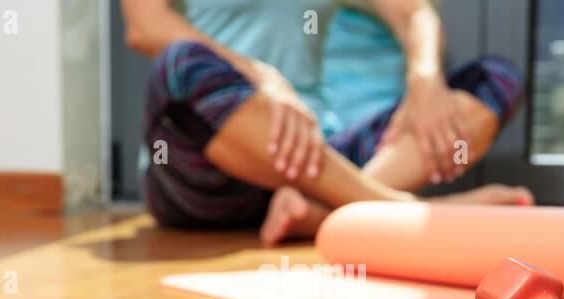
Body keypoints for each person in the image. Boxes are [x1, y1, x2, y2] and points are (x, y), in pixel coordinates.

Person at [123, 0, 531, 245]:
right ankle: (403, 210)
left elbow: (412, 12)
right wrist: (258, 75)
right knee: (179, 62)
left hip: (314, 153)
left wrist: (424, 79)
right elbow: (145, 26)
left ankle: (324, 213)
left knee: (493, 79)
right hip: (211, 168)